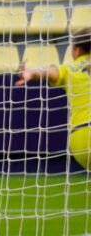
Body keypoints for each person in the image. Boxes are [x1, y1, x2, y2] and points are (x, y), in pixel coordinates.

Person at [17, 28, 91, 172]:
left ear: (76, 50)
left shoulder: (69, 69)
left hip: (79, 139)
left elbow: (48, 72)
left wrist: (31, 72)